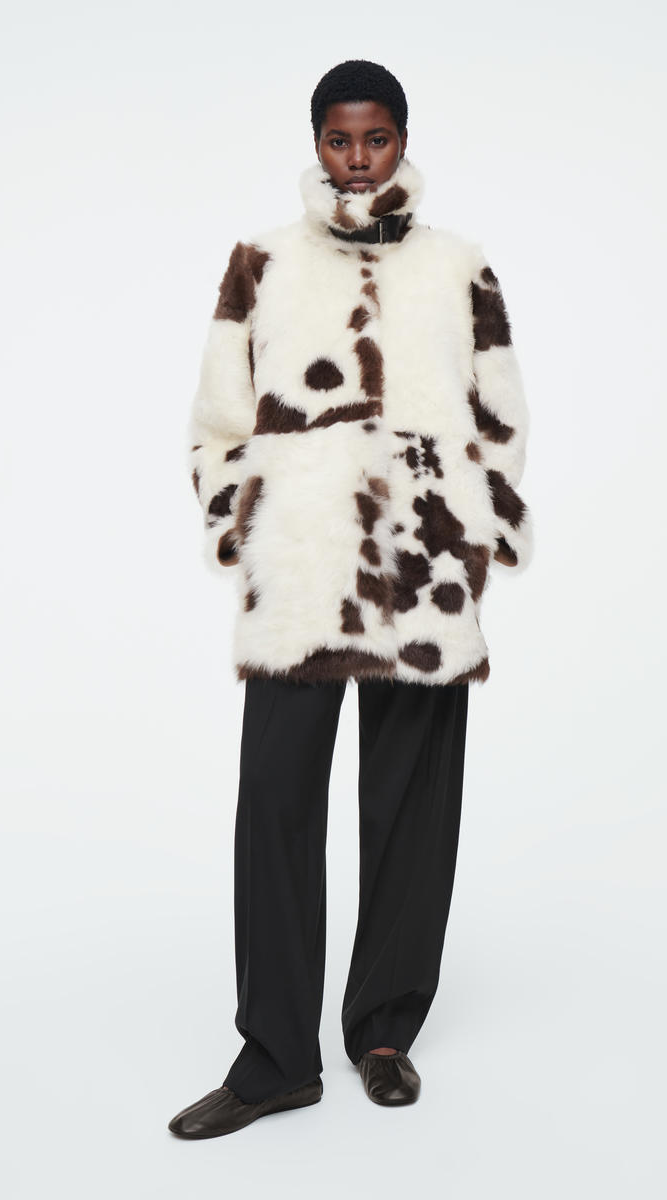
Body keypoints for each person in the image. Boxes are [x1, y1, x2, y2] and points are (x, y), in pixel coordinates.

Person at [168, 58, 533, 1140]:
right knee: (276, 804)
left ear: (402, 140)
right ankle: (276, 1057)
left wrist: (475, 537)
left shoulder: (458, 266)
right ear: (317, 143)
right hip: (300, 572)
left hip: (422, 575)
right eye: (340, 139)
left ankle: (382, 1031)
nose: (358, 158)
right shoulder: (262, 264)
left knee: (411, 805)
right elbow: (217, 419)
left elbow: (501, 416)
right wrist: (243, 528)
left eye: (376, 138)